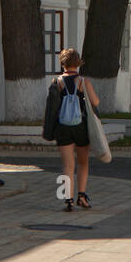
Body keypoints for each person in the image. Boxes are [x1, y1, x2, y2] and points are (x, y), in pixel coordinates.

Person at [42, 48, 100, 212]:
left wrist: (48, 129)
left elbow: (51, 108)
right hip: (80, 126)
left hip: (63, 127)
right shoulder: (83, 82)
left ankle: (68, 199)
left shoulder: (57, 82)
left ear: (63, 63)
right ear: (78, 62)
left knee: (67, 165)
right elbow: (96, 102)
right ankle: (81, 196)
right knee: (83, 162)